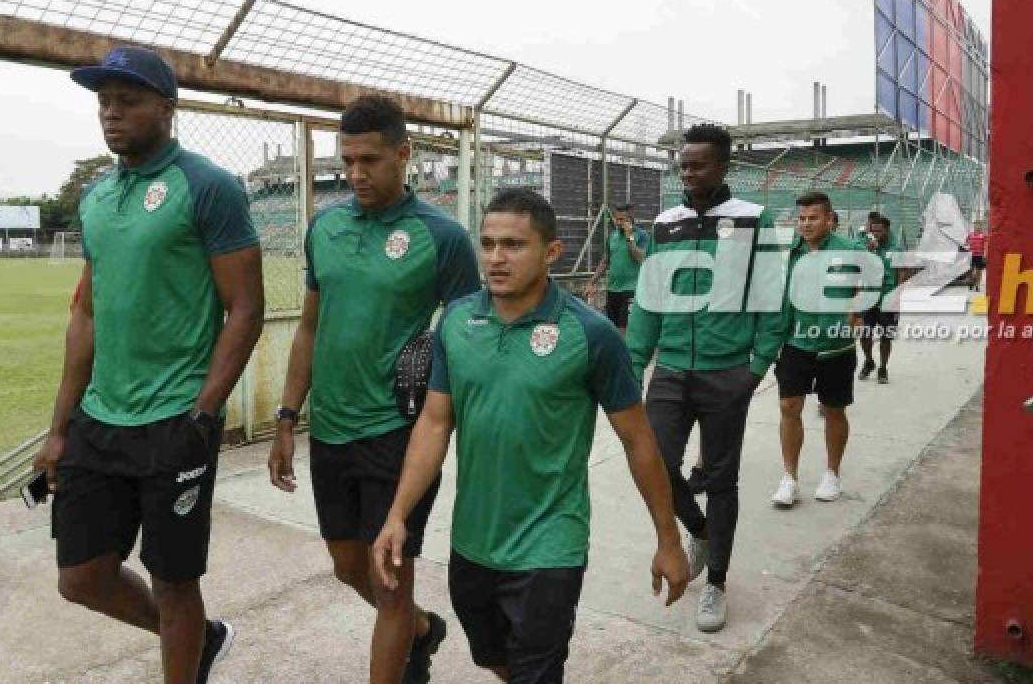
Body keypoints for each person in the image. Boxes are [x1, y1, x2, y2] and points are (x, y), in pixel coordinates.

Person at [373, 188, 688, 683]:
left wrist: (668, 539)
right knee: (494, 658)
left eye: (514, 245)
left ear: (551, 252)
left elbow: (638, 440)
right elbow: (434, 424)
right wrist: (397, 515)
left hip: (550, 545)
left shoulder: (591, 334)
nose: (496, 258)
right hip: (474, 542)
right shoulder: (457, 321)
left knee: (536, 671)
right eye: (488, 243)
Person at [34, 45, 264, 684]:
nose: (111, 114)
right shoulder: (95, 199)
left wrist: (204, 412)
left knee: (173, 579)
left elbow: (245, 308)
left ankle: (183, 663)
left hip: (176, 419)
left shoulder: (207, 186)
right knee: (80, 578)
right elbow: (86, 314)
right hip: (100, 420)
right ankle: (201, 641)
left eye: (127, 101)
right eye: (104, 102)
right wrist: (59, 427)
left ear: (168, 107)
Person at [268, 95, 481, 684]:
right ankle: (419, 630)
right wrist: (287, 417)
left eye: (371, 160)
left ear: (404, 155)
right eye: (348, 160)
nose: (356, 173)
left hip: (398, 433)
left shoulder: (441, 237)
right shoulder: (325, 228)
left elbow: (468, 338)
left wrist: (445, 415)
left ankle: (403, 644)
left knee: (389, 578)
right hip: (330, 430)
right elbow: (309, 327)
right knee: (346, 566)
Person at [626, 123, 787, 632]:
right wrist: (635, 361)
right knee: (653, 463)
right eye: (683, 164)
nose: (688, 172)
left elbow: (773, 295)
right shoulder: (667, 223)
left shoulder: (754, 220)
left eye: (698, 164)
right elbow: (650, 297)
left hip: (726, 375)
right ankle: (698, 531)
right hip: (670, 371)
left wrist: (756, 366)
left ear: (724, 166)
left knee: (721, 480)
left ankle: (715, 582)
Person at [770, 192, 859, 507]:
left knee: (834, 409)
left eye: (813, 218)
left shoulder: (851, 250)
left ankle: (832, 473)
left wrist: (858, 310)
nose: (806, 224)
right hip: (796, 342)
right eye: (802, 218)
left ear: (830, 219)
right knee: (788, 408)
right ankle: (790, 477)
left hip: (836, 345)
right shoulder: (790, 253)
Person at [584, 203, 649, 335]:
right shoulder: (612, 236)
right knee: (612, 329)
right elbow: (605, 261)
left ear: (630, 220)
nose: (618, 222)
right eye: (616, 219)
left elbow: (640, 257)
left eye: (622, 219)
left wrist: (629, 237)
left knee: (624, 330)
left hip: (631, 290)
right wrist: (592, 282)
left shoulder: (641, 235)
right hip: (613, 289)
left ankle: (627, 355)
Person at [858, 214, 899, 384]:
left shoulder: (895, 250)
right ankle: (869, 361)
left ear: (887, 230)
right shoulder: (865, 247)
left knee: (885, 336)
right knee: (864, 333)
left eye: (879, 231)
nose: (875, 234)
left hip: (888, 299)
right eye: (873, 231)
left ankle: (883, 367)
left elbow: (903, 274)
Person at [966, 223, 988, 291]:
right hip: (971, 256)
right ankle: (971, 282)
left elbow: (986, 245)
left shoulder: (984, 235)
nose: (978, 227)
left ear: (981, 227)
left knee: (978, 271)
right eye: (976, 225)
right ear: (974, 227)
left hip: (979, 256)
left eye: (979, 225)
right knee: (971, 270)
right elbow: (966, 243)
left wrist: (985, 255)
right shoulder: (970, 235)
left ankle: (977, 285)